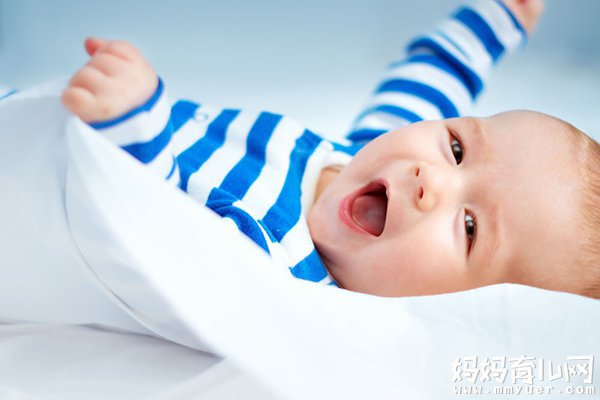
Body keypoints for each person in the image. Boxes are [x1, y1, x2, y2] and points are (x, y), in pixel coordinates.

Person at [57, 0, 600, 299]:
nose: (431, 178)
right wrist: (499, 19)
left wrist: (133, 127)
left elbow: (157, 245)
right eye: (457, 148)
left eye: (470, 227)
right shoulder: (363, 155)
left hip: (75, 170)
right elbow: (435, 77)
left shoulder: (279, 273)